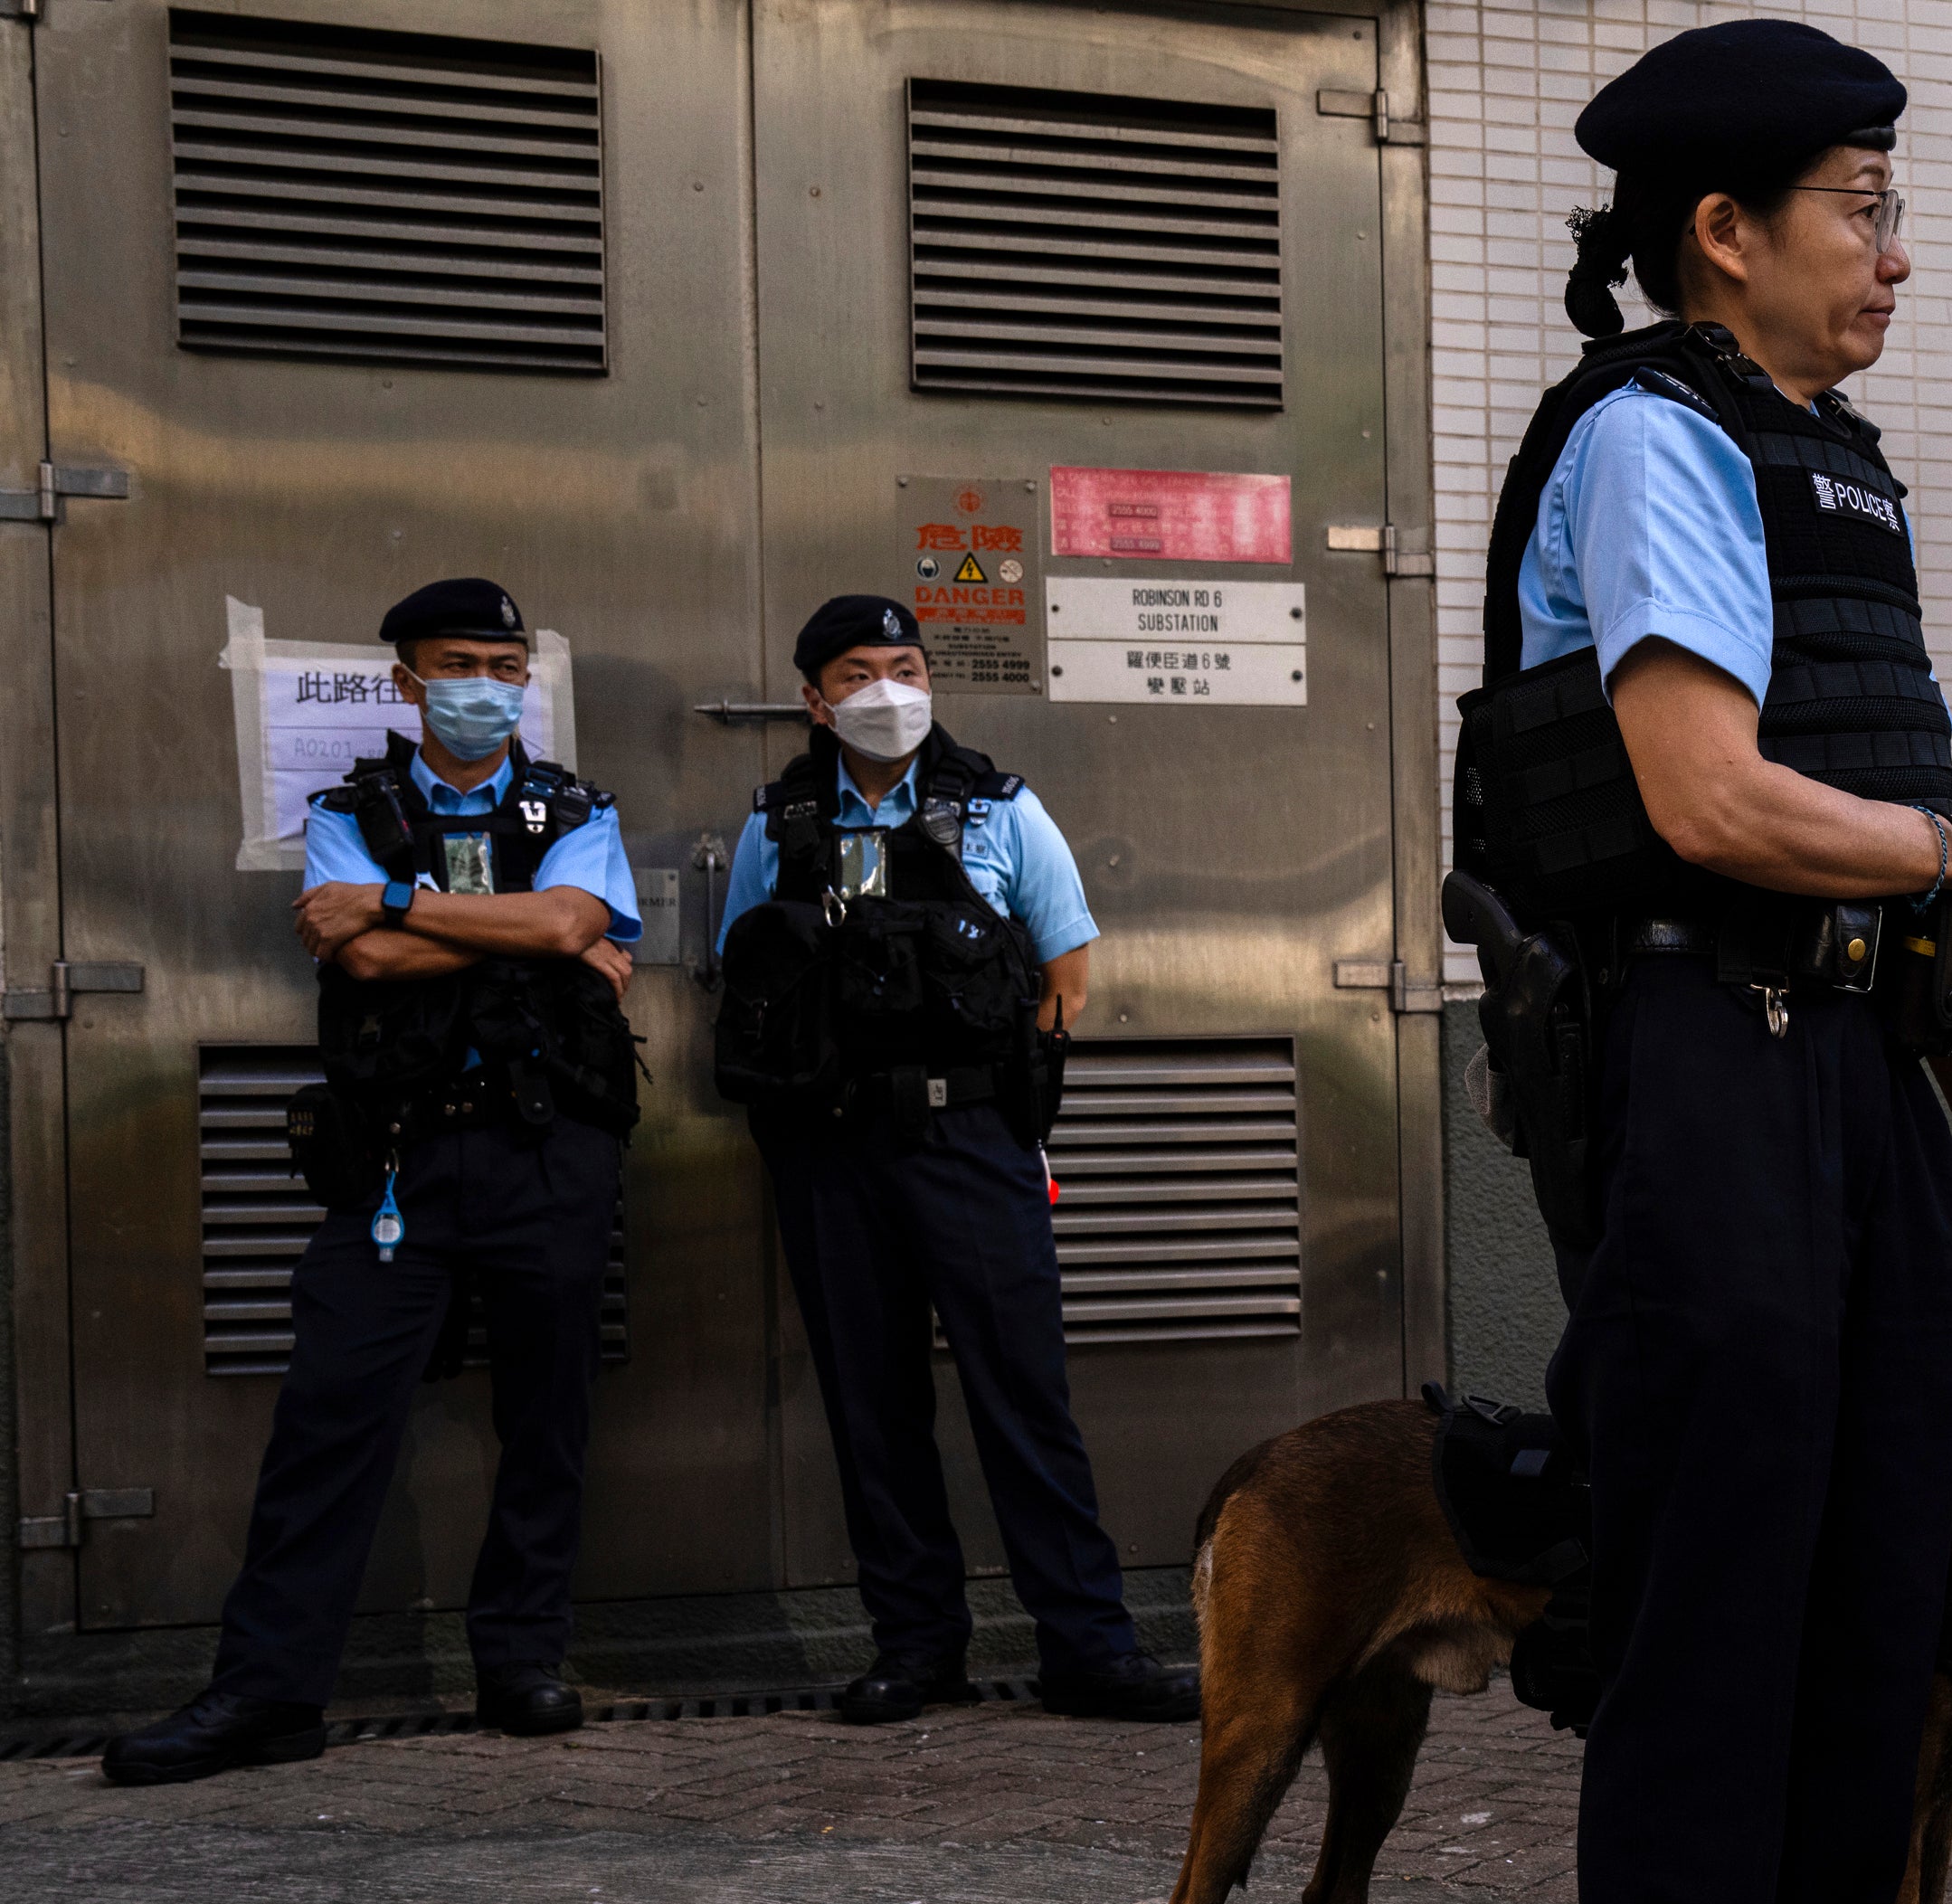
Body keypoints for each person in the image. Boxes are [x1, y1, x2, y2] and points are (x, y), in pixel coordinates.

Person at [1463, 20, 1952, 1904]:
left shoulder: (1831, 462)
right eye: (1861, 208)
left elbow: (1835, 777)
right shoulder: (1655, 435)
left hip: (1863, 1067)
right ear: (1722, 232)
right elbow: (1704, 796)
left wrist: (1946, 1007)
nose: (1895, 254)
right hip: (1708, 1070)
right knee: (1717, 1631)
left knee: (1874, 1612)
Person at [105, 578, 641, 1785]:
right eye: (458, 664)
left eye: (506, 667)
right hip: (396, 1158)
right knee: (328, 1421)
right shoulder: (349, 810)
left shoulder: (576, 806)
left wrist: (401, 902)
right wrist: (527, 931)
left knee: (547, 1418)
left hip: (549, 1151)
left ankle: (522, 1662)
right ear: (405, 681)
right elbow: (369, 960)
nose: (485, 687)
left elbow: (565, 927)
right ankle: (268, 1692)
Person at [712, 596, 1193, 1729]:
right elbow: (750, 974)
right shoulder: (778, 824)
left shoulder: (1001, 809)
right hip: (833, 1148)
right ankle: (916, 1647)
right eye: (858, 674)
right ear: (814, 700)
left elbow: (1066, 976)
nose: (889, 691)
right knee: (870, 1401)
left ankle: (1088, 1647)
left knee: (1022, 1396)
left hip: (972, 1139)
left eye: (907, 666)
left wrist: (996, 1090)